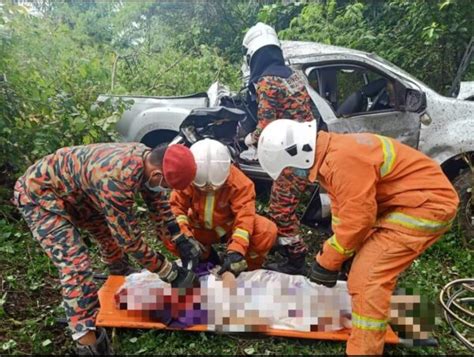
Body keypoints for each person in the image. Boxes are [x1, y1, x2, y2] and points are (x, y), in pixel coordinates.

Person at [256, 119, 459, 355]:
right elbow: (345, 214)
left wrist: (328, 260)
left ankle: (364, 350)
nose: (294, 175)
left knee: (367, 276)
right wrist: (341, 254)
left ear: (299, 153)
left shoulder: (341, 161)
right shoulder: (332, 154)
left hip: (423, 207)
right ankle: (417, 326)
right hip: (408, 203)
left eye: (289, 168)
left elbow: (358, 219)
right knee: (372, 263)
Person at [12, 142, 198, 355]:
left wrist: (179, 236)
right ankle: (87, 343)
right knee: (76, 265)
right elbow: (130, 241)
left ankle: (119, 277)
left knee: (109, 239)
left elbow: (158, 204)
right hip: (39, 194)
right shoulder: (118, 180)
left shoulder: (147, 159)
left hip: (80, 193)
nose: (165, 190)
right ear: (157, 175)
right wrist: (169, 272)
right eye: (167, 186)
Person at [242, 22, 326, 275]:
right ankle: (284, 244)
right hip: (306, 148)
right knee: (284, 204)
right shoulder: (293, 76)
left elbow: (266, 124)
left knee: (280, 209)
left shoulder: (267, 81)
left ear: (254, 54)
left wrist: (250, 139)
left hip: (290, 154)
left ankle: (296, 259)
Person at [164, 139, 277, 278]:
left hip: (229, 227)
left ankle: (243, 271)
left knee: (266, 230)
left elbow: (245, 217)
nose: (208, 189)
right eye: (202, 187)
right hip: (199, 227)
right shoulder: (187, 177)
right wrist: (186, 238)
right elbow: (176, 208)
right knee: (170, 234)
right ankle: (203, 258)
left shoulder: (240, 183)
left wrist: (237, 250)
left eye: (214, 187)